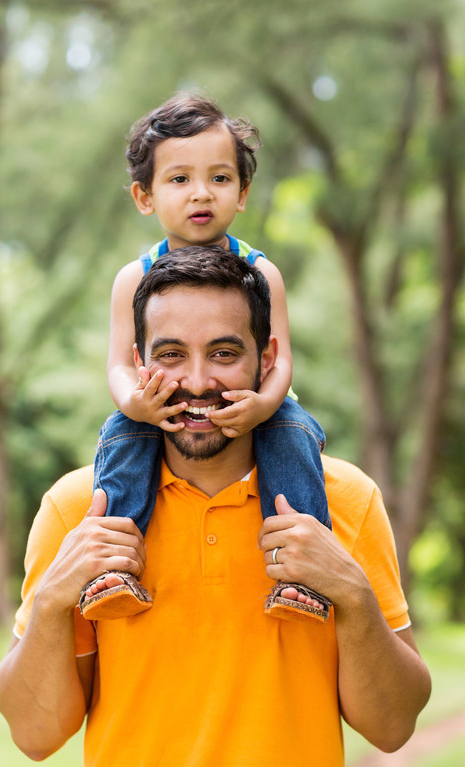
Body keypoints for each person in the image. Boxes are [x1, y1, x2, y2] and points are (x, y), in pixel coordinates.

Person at [0, 245, 431, 767]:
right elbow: (33, 730)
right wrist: (59, 594)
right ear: (136, 362)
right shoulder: (80, 509)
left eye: (223, 353)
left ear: (267, 361)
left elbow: (394, 723)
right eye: (171, 355)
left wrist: (353, 594)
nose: (197, 381)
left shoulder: (343, 503)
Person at [79, 93, 332, 625]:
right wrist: (136, 403)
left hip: (255, 397)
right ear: (144, 196)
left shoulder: (261, 272)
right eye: (179, 180)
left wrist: (263, 404)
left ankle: (303, 571)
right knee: (122, 435)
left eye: (219, 179)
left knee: (295, 432)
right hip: (162, 401)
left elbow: (279, 360)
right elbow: (119, 365)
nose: (201, 194)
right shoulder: (134, 277)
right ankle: (112, 565)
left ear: (242, 193)